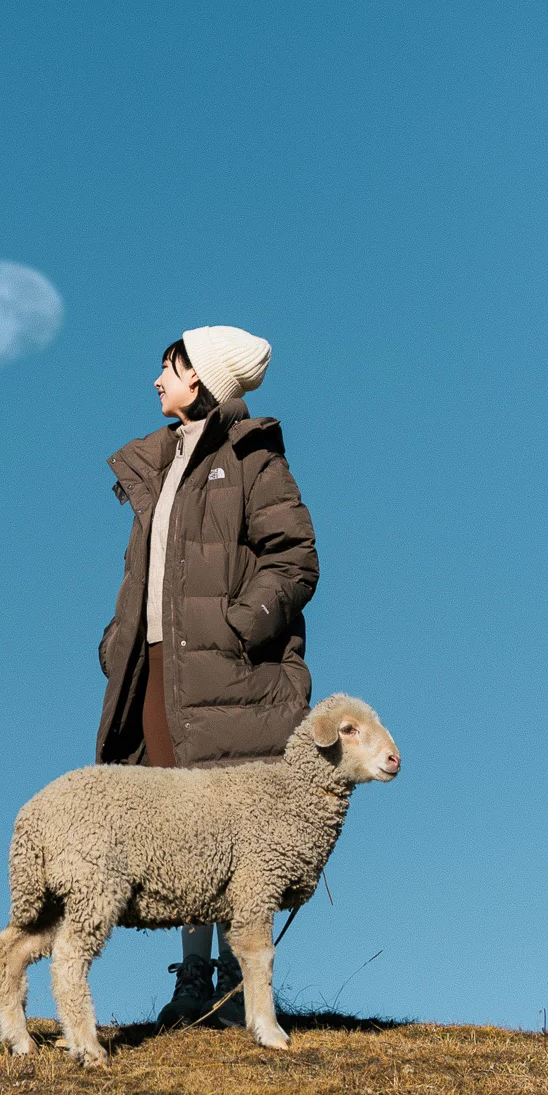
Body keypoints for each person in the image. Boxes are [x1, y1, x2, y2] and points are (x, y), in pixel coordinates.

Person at [96, 325, 318, 1028]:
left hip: (228, 669)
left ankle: (233, 980)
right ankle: (193, 979)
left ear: (200, 381)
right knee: (177, 824)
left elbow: (296, 559)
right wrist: (117, 644)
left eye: (168, 367)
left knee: (233, 829)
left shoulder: (253, 459)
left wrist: (240, 625)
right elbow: (145, 574)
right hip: (159, 668)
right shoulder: (157, 464)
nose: (157, 381)